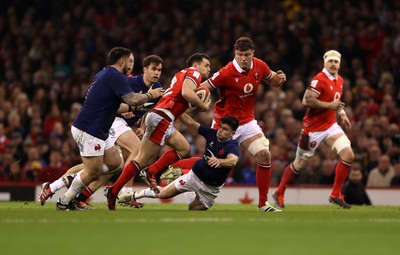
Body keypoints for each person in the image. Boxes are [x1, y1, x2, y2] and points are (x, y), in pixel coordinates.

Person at [39, 54, 164, 209]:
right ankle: (125, 192)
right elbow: (125, 102)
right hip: (108, 122)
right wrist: (132, 106)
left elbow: (146, 109)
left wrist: (142, 126)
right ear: (144, 69)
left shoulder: (156, 88)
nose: (156, 72)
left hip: (102, 126)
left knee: (113, 166)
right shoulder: (127, 81)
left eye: (159, 70)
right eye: (153, 69)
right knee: (136, 149)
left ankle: (77, 195)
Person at [105, 52, 211, 210]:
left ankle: (151, 171)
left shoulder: (181, 74)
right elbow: (187, 93)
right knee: (141, 159)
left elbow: (179, 107)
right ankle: (114, 192)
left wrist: (194, 124)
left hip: (162, 116)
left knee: (184, 148)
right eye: (206, 65)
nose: (209, 69)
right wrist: (203, 106)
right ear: (196, 66)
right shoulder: (194, 73)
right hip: (162, 117)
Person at [200, 37, 286, 212]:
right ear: (235, 54)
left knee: (264, 155)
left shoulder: (259, 65)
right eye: (240, 55)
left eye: (247, 55)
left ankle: (263, 204)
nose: (243, 58)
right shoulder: (226, 72)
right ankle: (182, 174)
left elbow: (273, 81)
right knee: (210, 165)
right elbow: (203, 87)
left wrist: (280, 78)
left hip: (247, 122)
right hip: (224, 125)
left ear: (252, 53)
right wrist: (199, 98)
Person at [273, 50, 354, 209]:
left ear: (340, 64)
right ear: (324, 63)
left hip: (330, 126)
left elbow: (335, 100)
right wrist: (329, 106)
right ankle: (279, 191)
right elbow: (306, 100)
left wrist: (342, 113)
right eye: (330, 61)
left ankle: (335, 194)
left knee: (348, 154)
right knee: (300, 165)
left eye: (336, 62)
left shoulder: (340, 80)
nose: (333, 64)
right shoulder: (319, 80)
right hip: (313, 130)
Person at [122, 114, 243, 211]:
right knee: (163, 194)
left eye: (225, 129)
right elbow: (190, 123)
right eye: (221, 127)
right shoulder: (211, 133)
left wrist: (219, 161)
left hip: (210, 188)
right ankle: (134, 195)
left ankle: (186, 182)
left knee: (194, 209)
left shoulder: (232, 146)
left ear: (232, 134)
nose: (220, 130)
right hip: (194, 176)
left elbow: (232, 161)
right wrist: (177, 109)